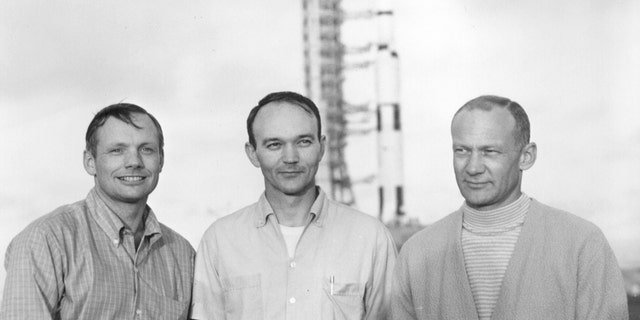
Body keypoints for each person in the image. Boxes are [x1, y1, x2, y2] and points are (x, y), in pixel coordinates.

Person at [391, 95, 628, 319]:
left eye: (490, 151)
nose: (473, 167)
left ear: (527, 156)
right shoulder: (417, 254)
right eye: (462, 150)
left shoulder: (583, 245)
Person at [190, 91, 397, 320]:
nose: (290, 157)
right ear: (253, 154)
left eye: (303, 142)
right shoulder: (220, 241)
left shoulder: (371, 238)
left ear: (322, 147)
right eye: (274, 144)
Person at [1, 103, 195, 319]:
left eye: (146, 149)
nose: (134, 162)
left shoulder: (183, 256)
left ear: (161, 160)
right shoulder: (46, 240)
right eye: (117, 150)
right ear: (90, 162)